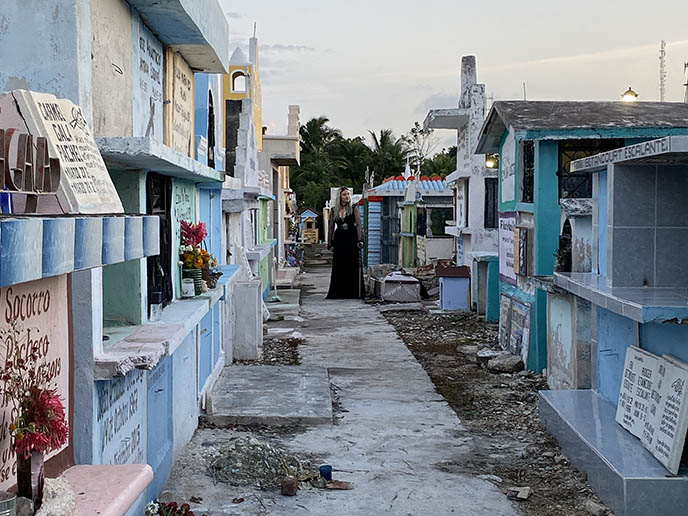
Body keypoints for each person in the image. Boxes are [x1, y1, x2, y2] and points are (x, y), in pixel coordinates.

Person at [326, 187, 365, 299]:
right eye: (344, 194)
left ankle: (353, 293)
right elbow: (331, 227)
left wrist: (360, 239)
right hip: (339, 240)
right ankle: (339, 292)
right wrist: (330, 243)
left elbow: (358, 225)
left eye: (348, 194)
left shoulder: (354, 208)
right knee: (339, 265)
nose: (347, 196)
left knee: (352, 265)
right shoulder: (334, 210)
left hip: (351, 239)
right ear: (340, 196)